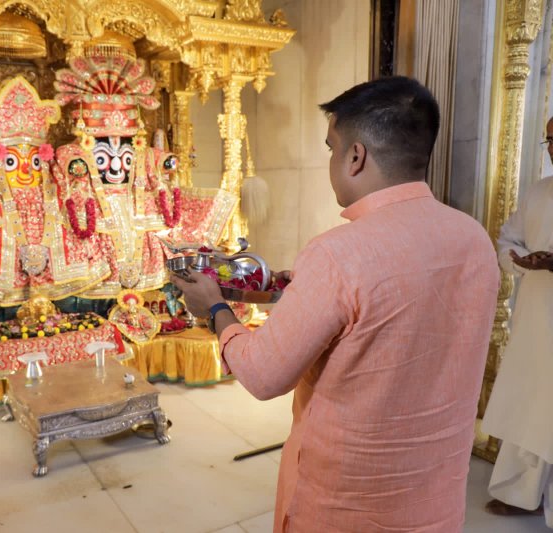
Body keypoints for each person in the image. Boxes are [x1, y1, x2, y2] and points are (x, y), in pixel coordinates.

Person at [172, 77, 499, 532]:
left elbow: (263, 375)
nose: (331, 161)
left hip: (345, 508)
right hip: (433, 503)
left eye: (331, 148)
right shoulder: (474, 238)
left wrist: (214, 308)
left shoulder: (338, 254)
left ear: (356, 156)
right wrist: (303, 292)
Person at [481, 117, 553, 526]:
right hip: (537, 317)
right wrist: (523, 261)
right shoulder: (539, 192)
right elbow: (507, 238)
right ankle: (524, 492)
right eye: (549, 140)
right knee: (533, 401)